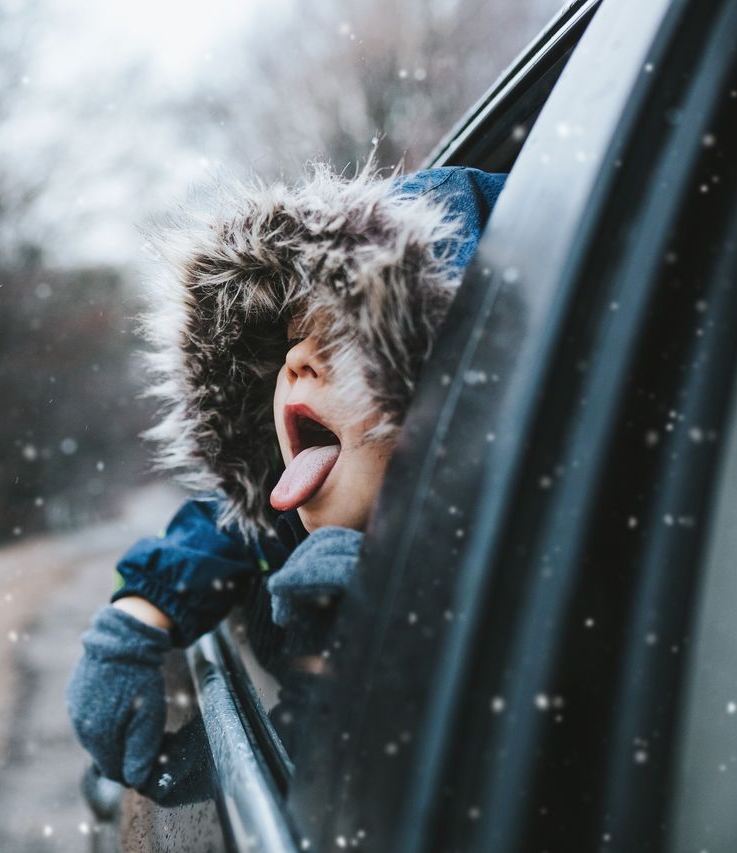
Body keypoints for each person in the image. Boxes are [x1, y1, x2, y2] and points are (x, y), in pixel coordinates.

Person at [66, 164, 506, 792]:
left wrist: (342, 639)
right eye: (296, 335)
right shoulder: (293, 516)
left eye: (352, 339)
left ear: (459, 399)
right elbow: (234, 522)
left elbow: (347, 782)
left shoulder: (520, 583)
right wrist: (139, 614)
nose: (297, 359)